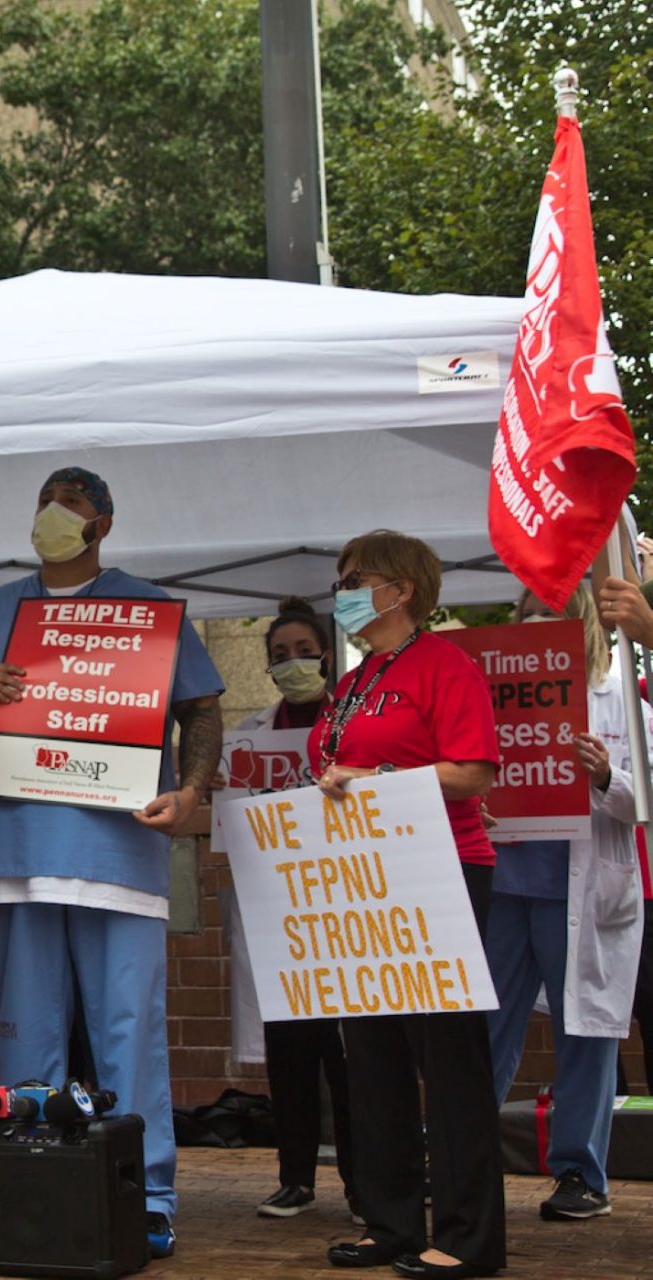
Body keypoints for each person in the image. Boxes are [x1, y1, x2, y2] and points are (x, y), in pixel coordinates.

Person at [0, 468, 224, 1262]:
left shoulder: (149, 610)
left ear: (105, 524)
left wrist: (191, 791)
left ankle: (149, 1197)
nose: (56, 514)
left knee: (130, 1039)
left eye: (77, 504)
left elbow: (201, 709)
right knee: (27, 1047)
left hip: (121, 854)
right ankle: (26, 1189)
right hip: (19, 858)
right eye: (47, 501)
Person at [307, 530, 502, 1279]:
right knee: (374, 1056)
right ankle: (390, 1220)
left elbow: (474, 770)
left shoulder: (443, 664)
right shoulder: (356, 678)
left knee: (447, 1061)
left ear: (403, 588)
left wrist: (378, 774)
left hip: (442, 870)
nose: (344, 591)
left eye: (355, 578)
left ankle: (467, 1234)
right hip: (367, 880)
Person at [488, 584, 646, 1221]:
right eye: (526, 613)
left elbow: (646, 802)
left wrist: (607, 775)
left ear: (579, 621)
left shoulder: (620, 701)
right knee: (484, 1027)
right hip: (505, 886)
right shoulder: (495, 699)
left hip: (581, 890)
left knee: (585, 1033)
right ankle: (458, 1152)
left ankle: (581, 1175)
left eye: (550, 613)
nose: (536, 624)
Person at [217, 598, 358, 1221]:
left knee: (350, 1059)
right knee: (291, 1054)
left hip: (346, 908)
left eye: (304, 651)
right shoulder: (247, 733)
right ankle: (295, 1178)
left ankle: (363, 1183)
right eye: (280, 655)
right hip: (279, 915)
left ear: (327, 654)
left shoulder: (354, 725)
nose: (293, 663)